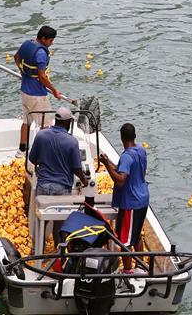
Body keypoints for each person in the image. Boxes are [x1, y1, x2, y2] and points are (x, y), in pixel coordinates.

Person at [28, 107, 88, 239]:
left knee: (41, 223)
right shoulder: (72, 142)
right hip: (62, 189)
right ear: (68, 123)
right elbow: (76, 168)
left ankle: (36, 251)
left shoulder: (41, 135)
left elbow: (32, 159)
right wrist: (84, 180)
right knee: (59, 225)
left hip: (43, 186)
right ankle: (58, 252)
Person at [100, 123, 149, 270]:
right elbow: (126, 170)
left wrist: (106, 165)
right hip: (143, 198)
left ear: (121, 138)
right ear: (134, 136)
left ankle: (128, 271)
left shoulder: (127, 156)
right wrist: (108, 161)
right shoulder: (140, 150)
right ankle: (140, 267)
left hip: (130, 203)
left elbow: (120, 180)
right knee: (136, 235)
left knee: (125, 241)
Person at [14, 26, 63, 157]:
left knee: (26, 121)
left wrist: (23, 72)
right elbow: (42, 76)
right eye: (50, 40)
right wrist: (54, 90)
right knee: (46, 126)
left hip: (25, 92)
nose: (52, 43)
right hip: (37, 96)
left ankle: (21, 150)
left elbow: (16, 57)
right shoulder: (41, 54)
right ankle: (43, 155)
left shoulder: (27, 44)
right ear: (43, 38)